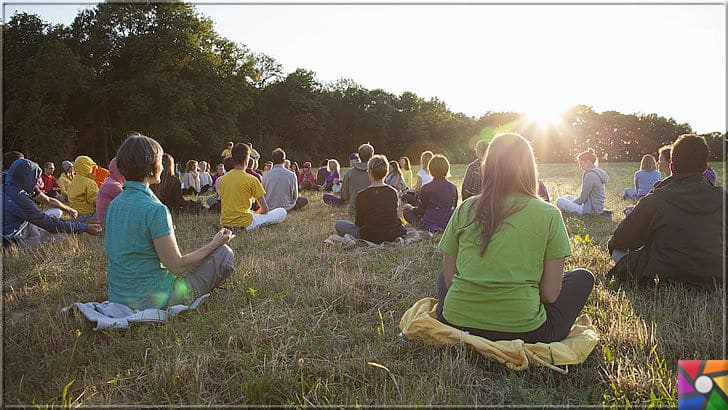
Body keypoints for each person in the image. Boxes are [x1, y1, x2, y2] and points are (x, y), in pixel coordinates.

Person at [436, 133, 594, 343]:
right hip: (524, 330)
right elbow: (549, 295)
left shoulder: (465, 208)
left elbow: (449, 279)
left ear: (487, 166)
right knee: (583, 277)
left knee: (442, 277)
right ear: (530, 168)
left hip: (455, 321)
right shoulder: (549, 214)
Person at [105, 133, 235, 310]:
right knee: (224, 254)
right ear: (152, 165)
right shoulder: (155, 209)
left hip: (118, 296)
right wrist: (215, 243)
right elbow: (177, 266)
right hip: (154, 300)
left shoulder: (115, 204)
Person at [608, 134, 724, 289]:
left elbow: (621, 239)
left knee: (614, 245)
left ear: (671, 167)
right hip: (716, 275)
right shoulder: (723, 198)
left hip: (662, 276)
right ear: (705, 168)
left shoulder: (655, 200)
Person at [3, 159, 102, 247]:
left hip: (18, 226)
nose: (37, 181)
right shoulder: (19, 198)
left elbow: (47, 200)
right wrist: (84, 228)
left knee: (54, 216)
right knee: (58, 237)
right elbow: (49, 223)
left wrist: (68, 209)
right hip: (8, 241)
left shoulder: (8, 182)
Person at [334, 155, 406, 243]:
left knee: (339, 224)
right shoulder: (393, 192)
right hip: (392, 233)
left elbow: (359, 223)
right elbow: (394, 215)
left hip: (370, 235)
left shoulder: (361, 195)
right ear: (386, 172)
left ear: (369, 172)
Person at [218, 143, 287, 230]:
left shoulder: (222, 179)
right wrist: (255, 214)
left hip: (225, 222)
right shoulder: (252, 179)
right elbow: (265, 209)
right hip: (245, 223)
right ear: (247, 159)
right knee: (282, 212)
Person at [3, 151, 78, 219]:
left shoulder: (26, 183)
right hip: (16, 225)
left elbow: (48, 200)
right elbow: (40, 218)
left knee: (57, 211)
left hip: (21, 219)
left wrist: (68, 209)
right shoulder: (21, 186)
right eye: (23, 162)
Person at [403, 154, 458, 232]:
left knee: (406, 211)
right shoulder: (453, 187)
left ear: (430, 169)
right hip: (447, 222)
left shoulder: (426, 188)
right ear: (447, 169)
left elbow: (421, 210)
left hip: (429, 222)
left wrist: (411, 209)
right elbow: (454, 207)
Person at [323, 143, 374, 216]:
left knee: (339, 225)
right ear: (372, 156)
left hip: (354, 210)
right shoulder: (376, 172)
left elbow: (344, 196)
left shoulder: (350, 173)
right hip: (372, 210)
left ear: (359, 156)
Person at [555, 149, 609, 215]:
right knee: (568, 197)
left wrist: (571, 204)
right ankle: (569, 206)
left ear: (588, 162)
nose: (580, 166)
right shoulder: (596, 172)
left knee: (559, 201)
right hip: (595, 207)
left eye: (581, 163)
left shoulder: (590, 176)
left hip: (591, 210)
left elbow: (583, 198)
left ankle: (566, 210)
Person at [68, 155, 99, 223]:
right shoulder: (90, 183)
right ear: (87, 167)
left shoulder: (74, 180)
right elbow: (96, 201)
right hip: (87, 216)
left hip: (74, 217)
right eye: (91, 167)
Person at [96, 158, 125, 228]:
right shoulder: (114, 185)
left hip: (105, 220)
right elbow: (128, 204)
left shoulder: (109, 180)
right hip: (108, 224)